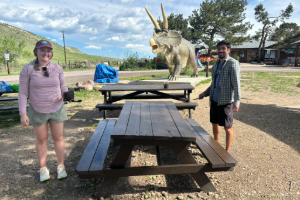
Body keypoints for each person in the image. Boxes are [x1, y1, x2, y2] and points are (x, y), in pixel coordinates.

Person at [18, 40, 69, 182]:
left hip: (57, 108)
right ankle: (43, 169)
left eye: (48, 51)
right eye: (42, 50)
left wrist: (67, 93)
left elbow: (62, 85)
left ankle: (61, 166)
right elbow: (22, 92)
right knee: (41, 140)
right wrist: (23, 113)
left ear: (51, 53)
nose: (45, 53)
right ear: (36, 51)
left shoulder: (57, 68)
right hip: (37, 109)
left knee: (58, 138)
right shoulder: (27, 69)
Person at [198, 40, 241, 152]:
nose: (220, 51)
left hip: (226, 101)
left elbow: (236, 84)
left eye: (223, 48)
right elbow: (214, 83)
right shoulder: (216, 64)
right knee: (214, 124)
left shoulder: (233, 63)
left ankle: (227, 151)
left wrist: (237, 102)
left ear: (228, 50)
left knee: (227, 127)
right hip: (214, 100)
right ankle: (216, 146)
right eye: (219, 49)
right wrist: (205, 93)